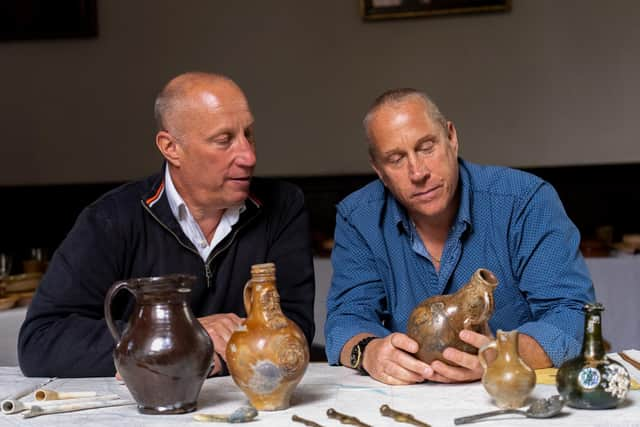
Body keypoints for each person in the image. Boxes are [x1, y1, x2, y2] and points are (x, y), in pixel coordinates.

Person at [18, 72, 315, 377]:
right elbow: (40, 341)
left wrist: (215, 360)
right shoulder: (111, 218)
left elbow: (294, 327)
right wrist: (179, 338)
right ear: (171, 148)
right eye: (224, 140)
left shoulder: (283, 206)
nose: (249, 156)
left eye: (248, 134)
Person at [325, 88, 594, 385]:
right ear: (379, 170)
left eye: (426, 147)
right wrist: (369, 351)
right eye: (396, 159)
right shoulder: (358, 218)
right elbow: (347, 318)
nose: (418, 172)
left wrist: (501, 354)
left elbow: (572, 317)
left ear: (451, 137)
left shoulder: (526, 201)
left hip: (509, 395)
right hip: (411, 398)